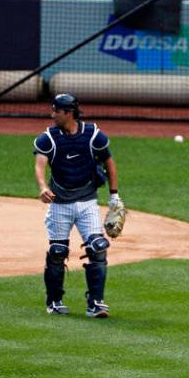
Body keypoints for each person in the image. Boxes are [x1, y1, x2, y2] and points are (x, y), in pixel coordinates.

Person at [33, 93, 122, 318]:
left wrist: (114, 196)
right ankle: (54, 301)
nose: (52, 114)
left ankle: (96, 304)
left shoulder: (93, 135)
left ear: (68, 112)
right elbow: (40, 164)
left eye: (56, 111)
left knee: (98, 248)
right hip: (60, 205)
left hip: (87, 203)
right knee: (57, 252)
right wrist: (43, 186)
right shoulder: (48, 139)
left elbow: (110, 163)